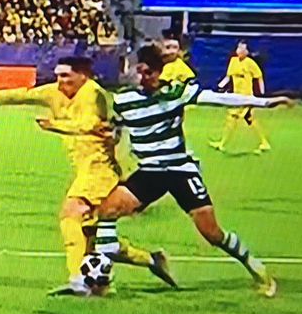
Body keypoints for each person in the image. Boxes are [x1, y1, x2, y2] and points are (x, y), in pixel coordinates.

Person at [87, 45, 292, 298]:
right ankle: (106, 280)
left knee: (212, 234)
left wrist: (265, 102)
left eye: (148, 72)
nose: (143, 77)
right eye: (139, 72)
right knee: (106, 212)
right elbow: (116, 131)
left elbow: (219, 99)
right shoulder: (123, 100)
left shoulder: (176, 93)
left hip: (180, 171)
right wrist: (110, 137)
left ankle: (257, 268)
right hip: (150, 171)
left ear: (159, 72)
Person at [0, 57, 176, 296]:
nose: (60, 80)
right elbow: (24, 95)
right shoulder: (54, 92)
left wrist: (56, 125)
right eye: (58, 75)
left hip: (100, 169)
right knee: (92, 237)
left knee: (70, 215)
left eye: (66, 75)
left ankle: (77, 280)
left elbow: (90, 124)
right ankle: (149, 261)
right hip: (85, 171)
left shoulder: (94, 94)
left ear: (83, 75)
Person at [210, 41, 271, 154]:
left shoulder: (250, 63)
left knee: (232, 118)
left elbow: (259, 77)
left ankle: (222, 144)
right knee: (249, 119)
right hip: (236, 96)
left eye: (243, 49)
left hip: (246, 97)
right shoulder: (233, 61)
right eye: (238, 48)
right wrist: (220, 86)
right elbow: (228, 77)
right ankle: (264, 142)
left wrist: (262, 93)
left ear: (247, 52)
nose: (240, 51)